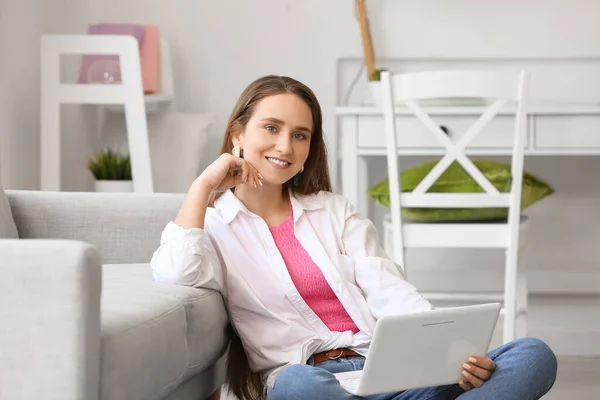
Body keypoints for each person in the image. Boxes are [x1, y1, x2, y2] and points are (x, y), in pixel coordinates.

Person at [150, 75, 557, 400]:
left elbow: (389, 288)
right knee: (295, 386)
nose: (284, 145)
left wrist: (445, 352)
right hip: (315, 382)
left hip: (390, 371)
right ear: (238, 133)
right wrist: (204, 184)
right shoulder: (214, 226)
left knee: (533, 356)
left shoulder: (332, 210)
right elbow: (177, 274)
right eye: (271, 128)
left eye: (300, 134)